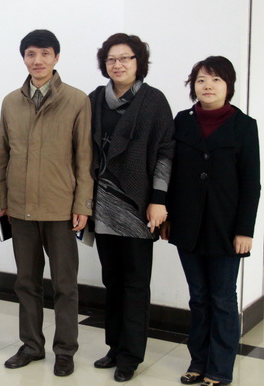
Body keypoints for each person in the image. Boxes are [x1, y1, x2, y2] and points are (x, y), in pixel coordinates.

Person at [0, 29, 93, 376]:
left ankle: (65, 350)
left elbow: (84, 158)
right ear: (23, 58)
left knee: (65, 284)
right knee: (26, 282)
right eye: (31, 54)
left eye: (45, 53)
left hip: (60, 208)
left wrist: (82, 204)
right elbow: (3, 156)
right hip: (20, 207)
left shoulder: (76, 100)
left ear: (56, 57)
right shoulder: (11, 102)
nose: (37, 60)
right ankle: (31, 345)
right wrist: (4, 200)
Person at [162, 56, 260, 386]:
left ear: (228, 85)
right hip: (187, 225)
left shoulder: (244, 125)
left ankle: (219, 369)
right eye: (201, 79)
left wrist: (245, 230)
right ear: (193, 85)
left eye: (216, 79)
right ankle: (198, 362)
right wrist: (168, 216)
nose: (208, 86)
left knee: (222, 299)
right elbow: (172, 173)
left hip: (226, 227)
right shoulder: (182, 120)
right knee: (198, 297)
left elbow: (252, 182)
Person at [89, 33, 174, 382]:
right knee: (112, 280)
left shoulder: (154, 101)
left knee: (136, 283)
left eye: (125, 58)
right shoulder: (96, 99)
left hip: (138, 207)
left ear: (139, 62)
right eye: (112, 58)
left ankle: (131, 356)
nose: (118, 64)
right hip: (103, 205)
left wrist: (159, 200)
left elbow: (166, 152)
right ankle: (114, 346)